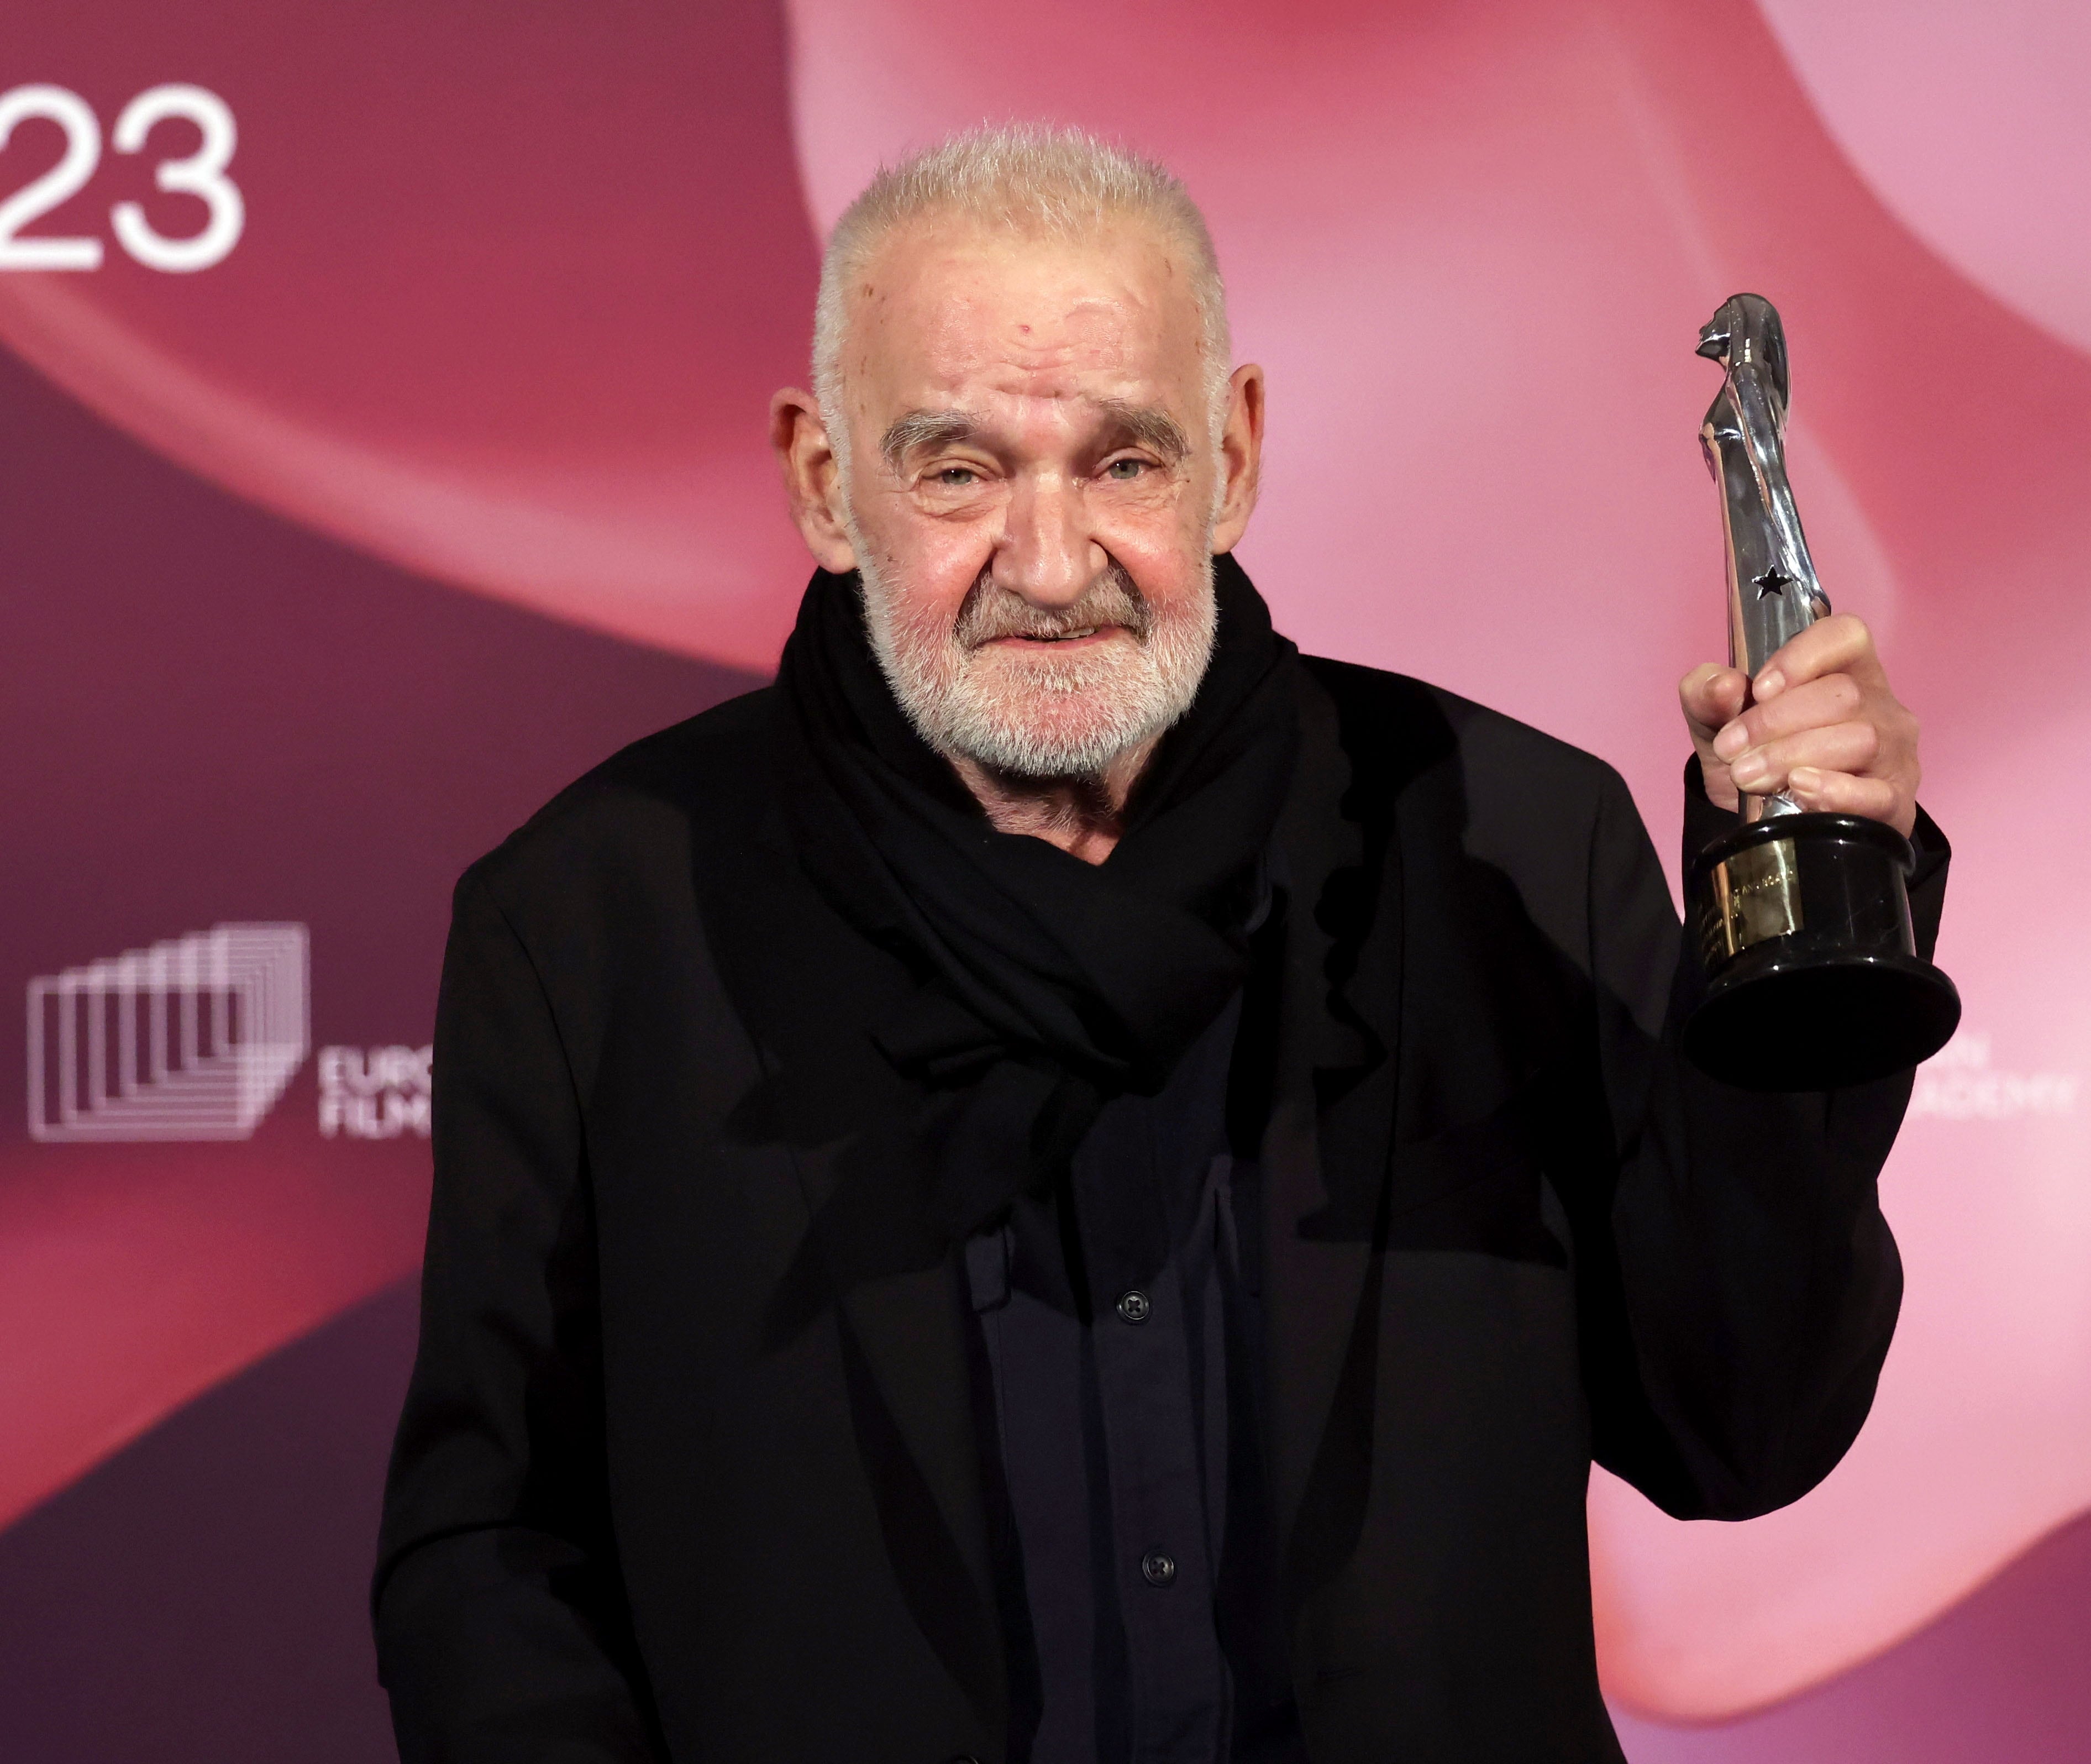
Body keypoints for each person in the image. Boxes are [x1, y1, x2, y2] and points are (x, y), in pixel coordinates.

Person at [372, 125, 1943, 1764]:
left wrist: (1817, 941)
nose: (1050, 568)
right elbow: (491, 1560)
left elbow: (1743, 1424)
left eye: (1123, 461)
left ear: (1235, 456)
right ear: (825, 485)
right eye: (960, 470)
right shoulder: (595, 924)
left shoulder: (1503, 841)